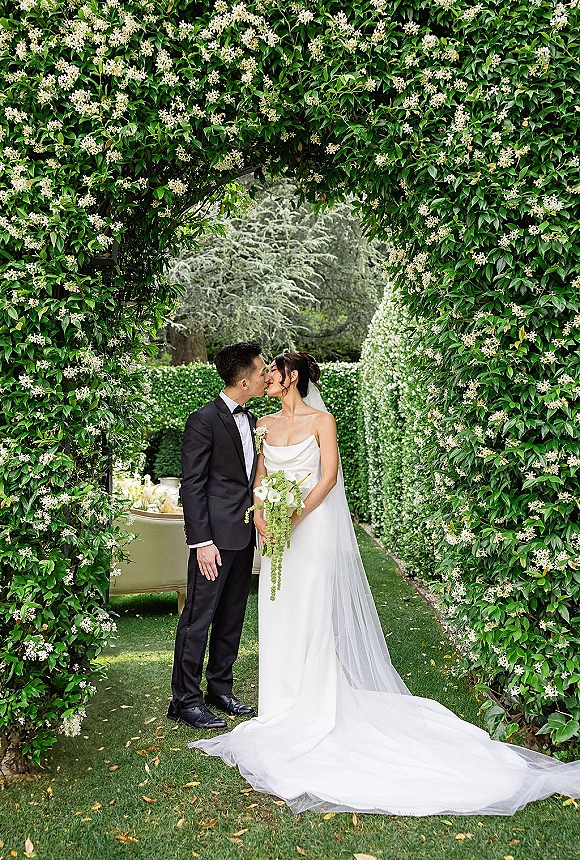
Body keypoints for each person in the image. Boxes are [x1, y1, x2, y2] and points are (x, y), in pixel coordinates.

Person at [191, 351, 580, 814]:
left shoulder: (323, 420)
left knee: (311, 611)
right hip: (274, 534)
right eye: (264, 371)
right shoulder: (264, 424)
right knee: (277, 610)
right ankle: (279, 706)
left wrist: (295, 514)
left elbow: (329, 475)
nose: (268, 377)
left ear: (292, 377)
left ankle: (312, 704)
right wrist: (262, 512)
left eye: (274, 371)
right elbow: (259, 476)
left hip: (308, 530)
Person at [168, 342, 267, 730]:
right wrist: (201, 542)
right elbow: (191, 486)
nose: (266, 377)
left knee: (232, 616)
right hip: (211, 541)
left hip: (243, 536)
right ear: (244, 381)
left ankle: (219, 689)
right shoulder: (202, 420)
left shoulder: (255, 419)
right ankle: (185, 700)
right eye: (261, 372)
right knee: (198, 618)